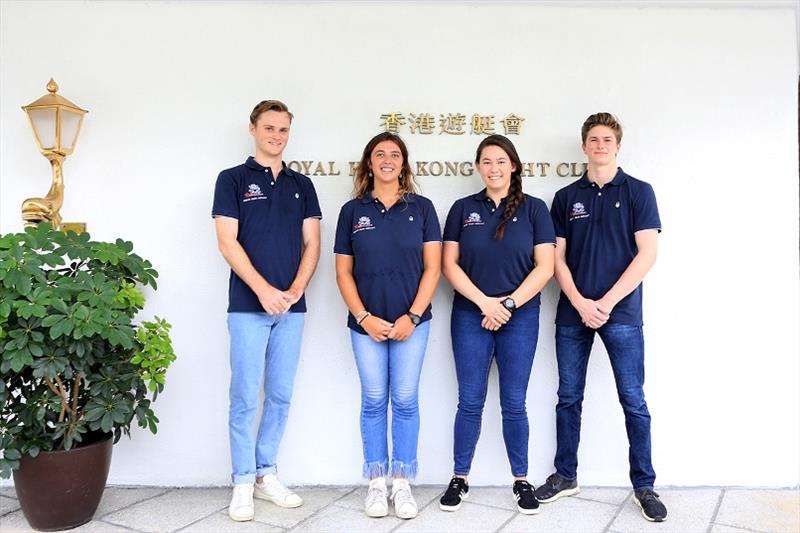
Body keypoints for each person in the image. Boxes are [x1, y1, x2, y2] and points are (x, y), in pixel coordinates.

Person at [534, 112, 667, 522]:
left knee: (634, 401)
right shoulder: (566, 197)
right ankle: (565, 475)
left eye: (607, 139)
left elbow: (647, 254)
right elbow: (555, 257)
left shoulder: (639, 192)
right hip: (573, 314)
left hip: (622, 313)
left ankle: (643, 485)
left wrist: (605, 302)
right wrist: (579, 300)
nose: (600, 145)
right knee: (568, 397)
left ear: (618, 146)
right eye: (593, 139)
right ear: (584, 146)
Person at [212, 100, 322, 522]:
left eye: (283, 130)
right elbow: (227, 242)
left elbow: (311, 243)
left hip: (291, 309)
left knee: (279, 394)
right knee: (243, 395)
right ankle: (241, 480)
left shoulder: (301, 184)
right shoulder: (233, 179)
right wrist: (263, 290)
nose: (276, 136)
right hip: (247, 306)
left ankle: (265, 474)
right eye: (269, 128)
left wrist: (294, 290)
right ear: (253, 129)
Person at [438, 134, 555, 515]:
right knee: (469, 400)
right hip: (471, 314)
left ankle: (521, 481)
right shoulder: (462, 209)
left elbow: (546, 267)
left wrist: (506, 304)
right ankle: (460, 477)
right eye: (487, 161)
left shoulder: (535, 210)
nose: (494, 168)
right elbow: (449, 265)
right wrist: (484, 303)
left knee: (514, 402)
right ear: (478, 167)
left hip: (519, 317)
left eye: (501, 161)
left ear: (514, 166)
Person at [334, 132, 441, 520]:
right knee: (375, 400)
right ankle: (377, 483)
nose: (387, 160)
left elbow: (434, 268)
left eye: (394, 154)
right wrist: (364, 317)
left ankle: (402, 482)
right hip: (366, 325)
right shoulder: (352, 212)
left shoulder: (423, 209)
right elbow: (343, 272)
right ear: (368, 163)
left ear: (403, 163)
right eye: (379, 154)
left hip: (413, 323)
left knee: (407, 401)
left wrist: (412, 316)